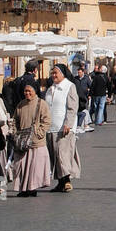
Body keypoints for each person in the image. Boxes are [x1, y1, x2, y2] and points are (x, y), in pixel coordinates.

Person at [10, 81, 52, 195]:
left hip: (36, 142)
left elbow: (47, 121)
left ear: (35, 91)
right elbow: (14, 120)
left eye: (29, 91)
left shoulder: (41, 104)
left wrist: (39, 133)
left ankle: (32, 188)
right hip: (22, 142)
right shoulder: (20, 104)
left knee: (34, 168)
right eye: (25, 91)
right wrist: (15, 133)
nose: (27, 93)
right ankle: (23, 188)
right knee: (21, 166)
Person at [44, 64, 81, 192]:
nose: (53, 75)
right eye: (52, 73)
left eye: (56, 73)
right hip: (51, 127)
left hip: (64, 127)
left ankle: (67, 181)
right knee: (54, 155)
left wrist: (68, 124)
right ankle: (60, 182)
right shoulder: (50, 89)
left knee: (63, 154)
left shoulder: (69, 86)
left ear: (63, 74)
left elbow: (72, 107)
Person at [73, 63, 92, 133]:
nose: (79, 74)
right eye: (78, 72)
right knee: (80, 110)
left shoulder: (86, 79)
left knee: (85, 110)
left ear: (83, 72)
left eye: (80, 72)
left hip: (85, 97)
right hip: (77, 97)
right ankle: (82, 124)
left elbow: (91, 87)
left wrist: (89, 94)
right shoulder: (75, 79)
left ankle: (84, 124)